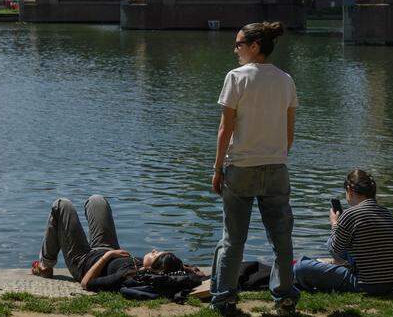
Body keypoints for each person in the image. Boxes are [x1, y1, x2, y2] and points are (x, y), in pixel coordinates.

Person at [210, 21, 300, 316]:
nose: (235, 50)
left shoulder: (236, 78)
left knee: (233, 239)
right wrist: (277, 155)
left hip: (242, 167)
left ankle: (224, 299)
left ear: (254, 46)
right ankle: (285, 298)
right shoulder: (286, 79)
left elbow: (225, 130)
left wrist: (217, 168)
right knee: (282, 239)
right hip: (277, 167)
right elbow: (290, 132)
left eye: (238, 44)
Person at [31, 195, 186, 292]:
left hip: (83, 262)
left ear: (154, 268)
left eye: (156, 254)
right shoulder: (144, 268)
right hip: (105, 247)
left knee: (61, 205)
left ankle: (45, 266)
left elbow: (86, 283)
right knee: (97, 200)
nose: (153, 250)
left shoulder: (126, 276)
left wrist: (109, 255)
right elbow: (182, 272)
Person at [293, 169, 393, 296]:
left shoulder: (351, 214)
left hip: (366, 284)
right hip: (391, 284)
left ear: (350, 191)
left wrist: (335, 224)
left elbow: (334, 250)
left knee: (300, 268)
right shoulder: (386, 212)